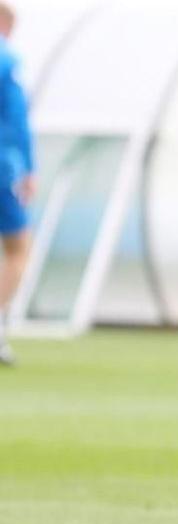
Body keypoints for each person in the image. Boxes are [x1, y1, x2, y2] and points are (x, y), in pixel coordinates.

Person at [0, 2, 35, 367]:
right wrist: (29, 168)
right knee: (17, 248)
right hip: (1, 168)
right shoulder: (7, 61)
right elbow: (17, 119)